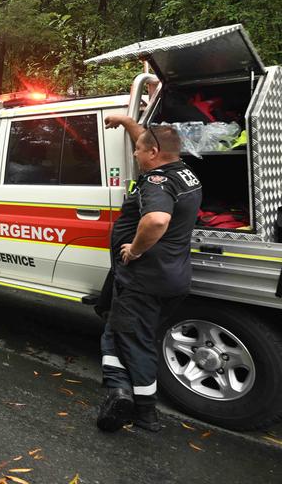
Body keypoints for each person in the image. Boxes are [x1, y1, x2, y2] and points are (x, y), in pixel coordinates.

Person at [96, 116, 202, 433]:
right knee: (122, 332)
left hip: (144, 279)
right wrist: (128, 122)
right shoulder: (186, 174)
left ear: (154, 152)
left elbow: (156, 220)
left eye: (139, 151)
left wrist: (136, 250)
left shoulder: (158, 182)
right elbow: (149, 138)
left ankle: (140, 410)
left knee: (127, 339)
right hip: (172, 276)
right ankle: (121, 393)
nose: (135, 155)